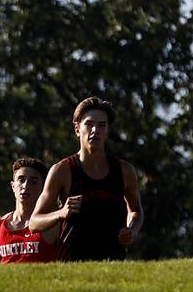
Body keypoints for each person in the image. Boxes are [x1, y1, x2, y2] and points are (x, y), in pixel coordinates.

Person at [30, 97, 144, 261]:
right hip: (72, 265)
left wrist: (132, 231)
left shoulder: (124, 170)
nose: (95, 130)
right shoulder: (62, 170)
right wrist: (61, 213)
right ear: (77, 129)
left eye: (101, 125)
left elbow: (136, 211)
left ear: (108, 130)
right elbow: (34, 222)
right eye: (89, 124)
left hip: (114, 264)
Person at [0, 157, 59, 264]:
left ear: (43, 188)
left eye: (33, 182)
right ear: (13, 186)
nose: (26, 186)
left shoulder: (52, 224)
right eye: (21, 180)